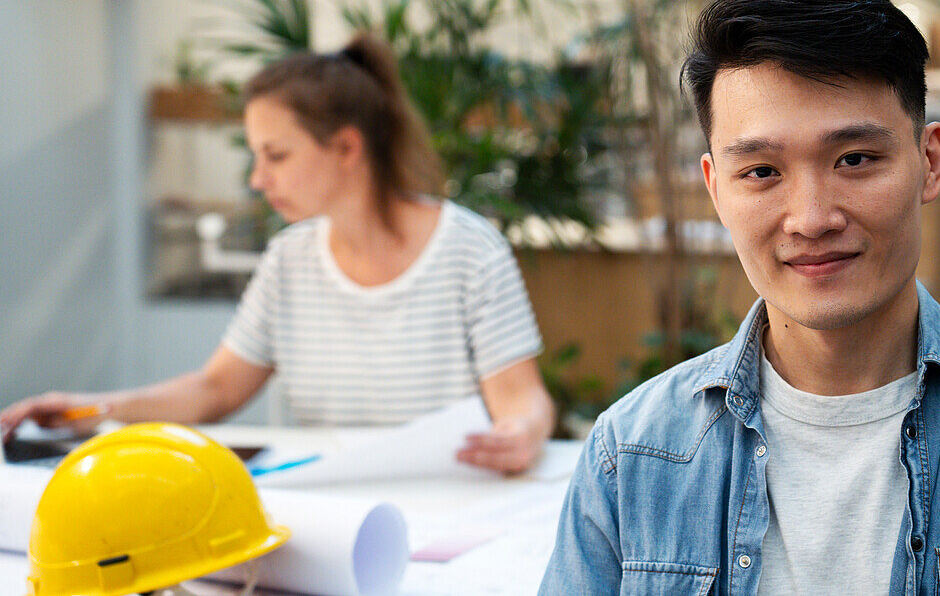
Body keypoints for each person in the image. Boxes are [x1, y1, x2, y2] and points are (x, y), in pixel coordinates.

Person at [541, 0, 940, 593]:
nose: (811, 219)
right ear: (715, 189)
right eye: (760, 170)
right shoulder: (634, 456)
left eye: (854, 159)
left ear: (930, 163)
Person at [1, 32, 554, 475]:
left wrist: (520, 435)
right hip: (332, 507)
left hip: (456, 505)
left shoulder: (469, 250)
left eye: (277, 156)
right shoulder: (289, 260)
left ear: (346, 148)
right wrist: (91, 410)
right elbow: (214, 389)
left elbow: (523, 400)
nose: (258, 179)